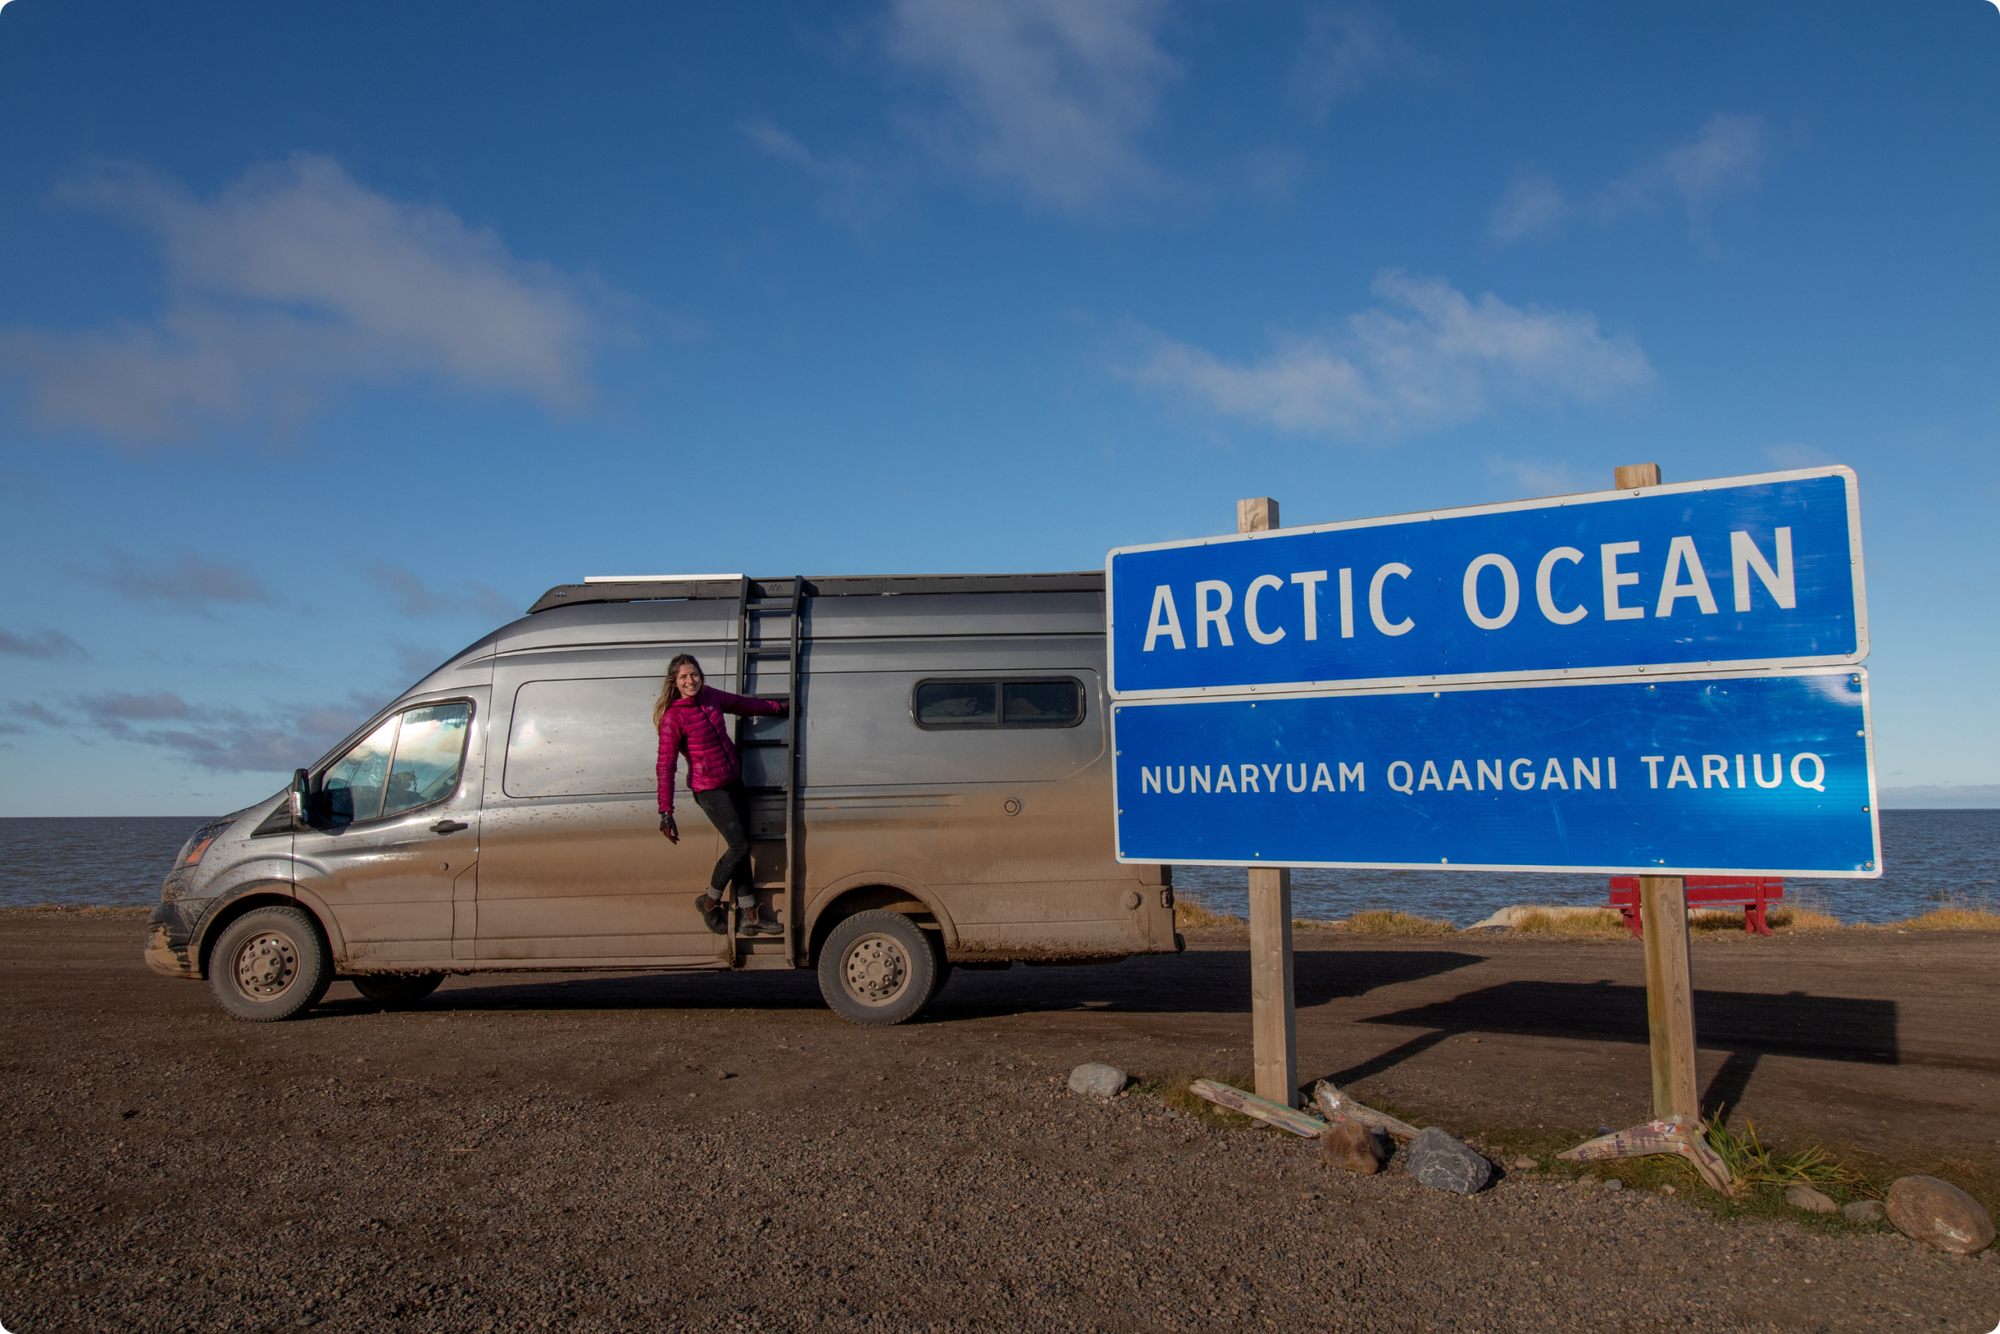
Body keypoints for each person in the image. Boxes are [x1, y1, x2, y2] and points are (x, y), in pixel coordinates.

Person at [654, 653, 789, 935]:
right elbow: (665, 766)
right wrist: (666, 812)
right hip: (709, 790)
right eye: (683, 677)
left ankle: (751, 917)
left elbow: (743, 705)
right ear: (675, 683)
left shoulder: (710, 696)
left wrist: (779, 708)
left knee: (741, 847)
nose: (691, 680)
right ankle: (709, 903)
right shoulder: (673, 718)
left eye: (694, 674)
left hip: (733, 782)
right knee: (739, 846)